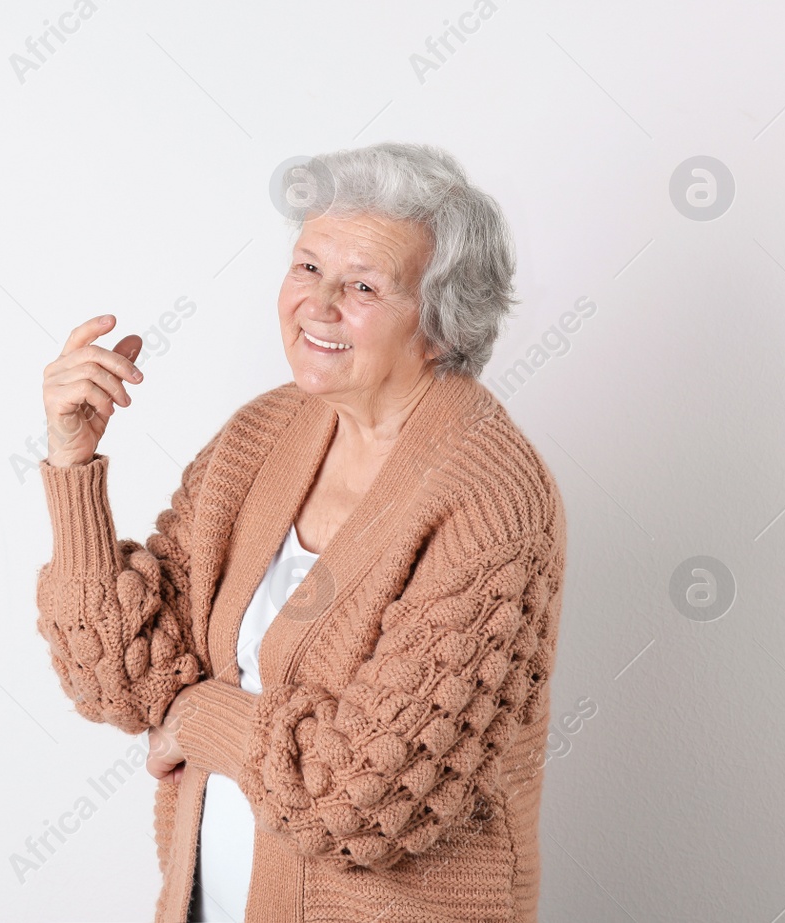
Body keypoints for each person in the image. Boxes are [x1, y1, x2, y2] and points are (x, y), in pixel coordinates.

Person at [35, 141, 567, 922]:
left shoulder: (492, 500)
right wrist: (74, 462)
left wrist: (198, 719)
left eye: (363, 285)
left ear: (440, 326)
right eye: (309, 266)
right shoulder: (262, 435)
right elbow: (117, 677)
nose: (318, 304)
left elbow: (368, 790)